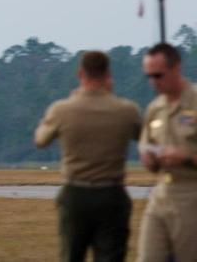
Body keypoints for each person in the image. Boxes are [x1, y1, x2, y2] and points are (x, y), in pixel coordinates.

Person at [34, 50, 141, 262]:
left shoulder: (62, 110)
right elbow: (144, 137)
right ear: (108, 74)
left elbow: (40, 140)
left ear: (80, 74)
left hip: (76, 193)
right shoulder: (127, 110)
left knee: (71, 255)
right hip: (112, 193)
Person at [137, 42, 197, 262]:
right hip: (162, 194)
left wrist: (186, 157)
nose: (154, 82)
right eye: (149, 76)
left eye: (158, 75)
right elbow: (146, 145)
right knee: (148, 256)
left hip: (191, 194)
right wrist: (149, 158)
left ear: (176, 68)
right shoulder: (155, 109)